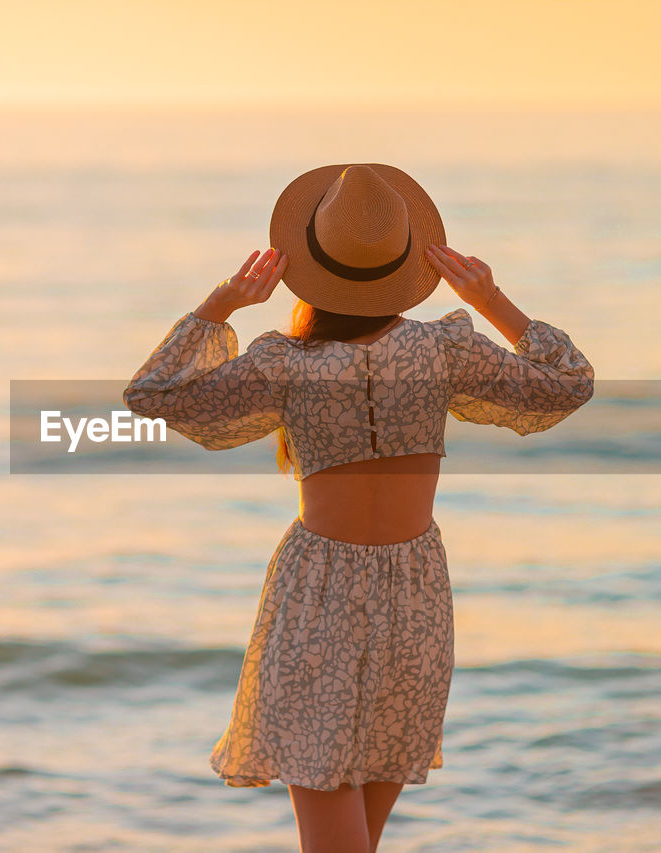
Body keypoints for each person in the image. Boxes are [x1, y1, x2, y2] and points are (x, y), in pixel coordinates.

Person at [122, 164, 595, 853]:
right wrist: (491, 299)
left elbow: (154, 394)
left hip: (319, 594)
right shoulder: (443, 351)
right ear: (406, 264)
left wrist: (218, 305)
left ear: (309, 267)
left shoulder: (284, 364)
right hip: (416, 597)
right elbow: (568, 383)